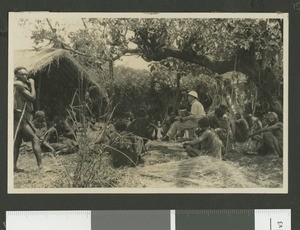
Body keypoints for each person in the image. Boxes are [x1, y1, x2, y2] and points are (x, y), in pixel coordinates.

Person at [13, 66, 43, 172]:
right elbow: (32, 97)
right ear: (16, 75)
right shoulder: (19, 84)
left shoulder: (18, 85)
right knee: (35, 139)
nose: (25, 76)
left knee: (17, 142)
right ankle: (41, 167)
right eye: (22, 74)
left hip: (19, 117)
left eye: (26, 74)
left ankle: (13, 167)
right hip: (21, 118)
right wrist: (32, 84)